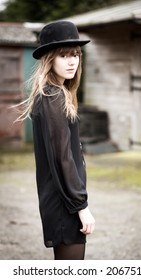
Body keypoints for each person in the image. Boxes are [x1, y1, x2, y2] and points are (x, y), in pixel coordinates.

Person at [16, 20, 95, 260]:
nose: (72, 61)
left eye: (76, 55)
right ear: (50, 59)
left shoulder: (55, 93)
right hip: (65, 204)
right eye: (64, 55)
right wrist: (81, 206)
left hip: (63, 200)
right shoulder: (53, 96)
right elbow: (63, 159)